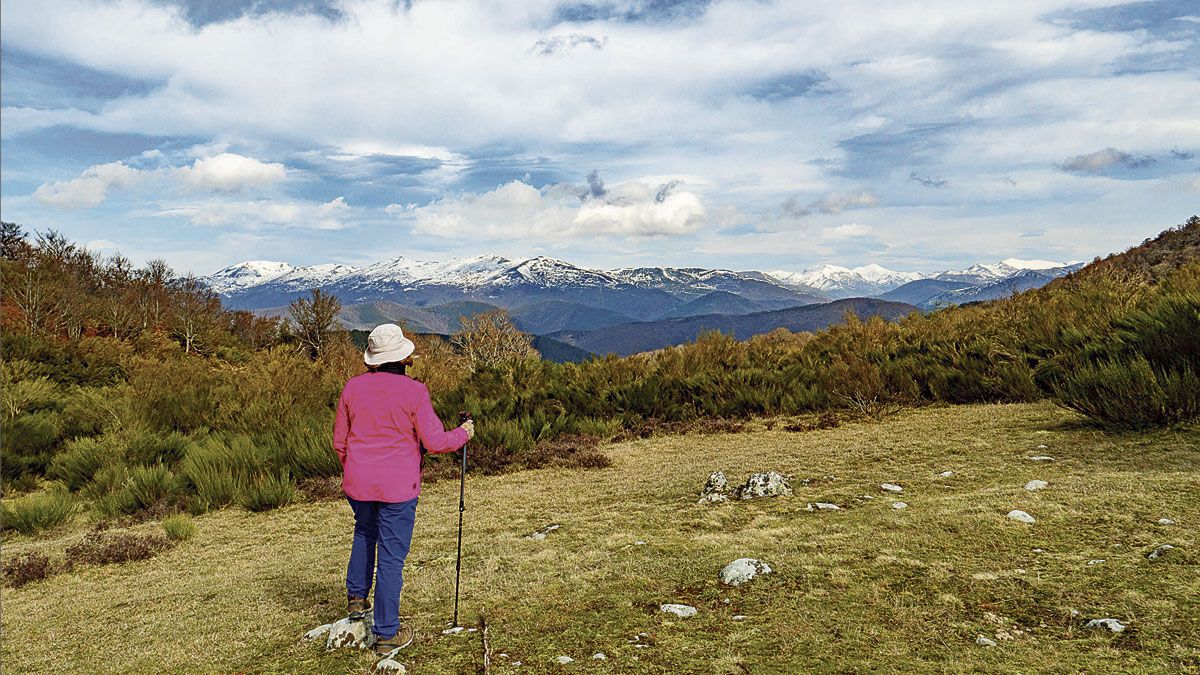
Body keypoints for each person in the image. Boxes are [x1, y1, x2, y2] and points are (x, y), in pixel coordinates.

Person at [333, 323, 474, 655]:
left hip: (358, 482)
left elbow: (341, 442)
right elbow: (435, 442)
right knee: (392, 558)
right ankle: (386, 633)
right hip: (399, 487)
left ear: (372, 360)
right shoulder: (415, 392)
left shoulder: (352, 388)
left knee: (364, 532)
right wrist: (464, 433)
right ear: (404, 359)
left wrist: (354, 469)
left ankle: (357, 599)